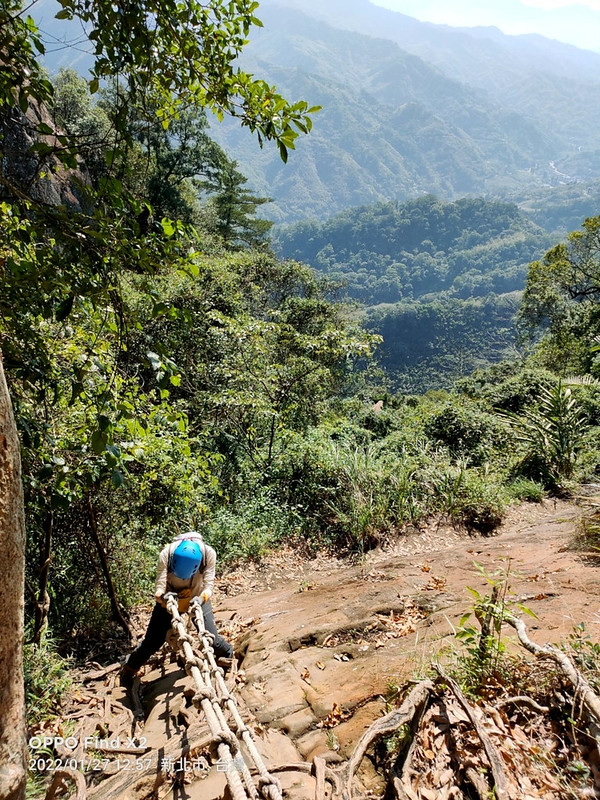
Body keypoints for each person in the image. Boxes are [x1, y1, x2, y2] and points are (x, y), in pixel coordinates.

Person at [120, 531, 233, 687]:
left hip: (197, 597)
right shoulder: (166, 554)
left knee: (211, 637)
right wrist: (164, 598)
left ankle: (229, 657)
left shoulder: (208, 555)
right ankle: (129, 669)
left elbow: (208, 586)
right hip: (170, 598)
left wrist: (201, 599)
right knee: (152, 642)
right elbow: (158, 589)